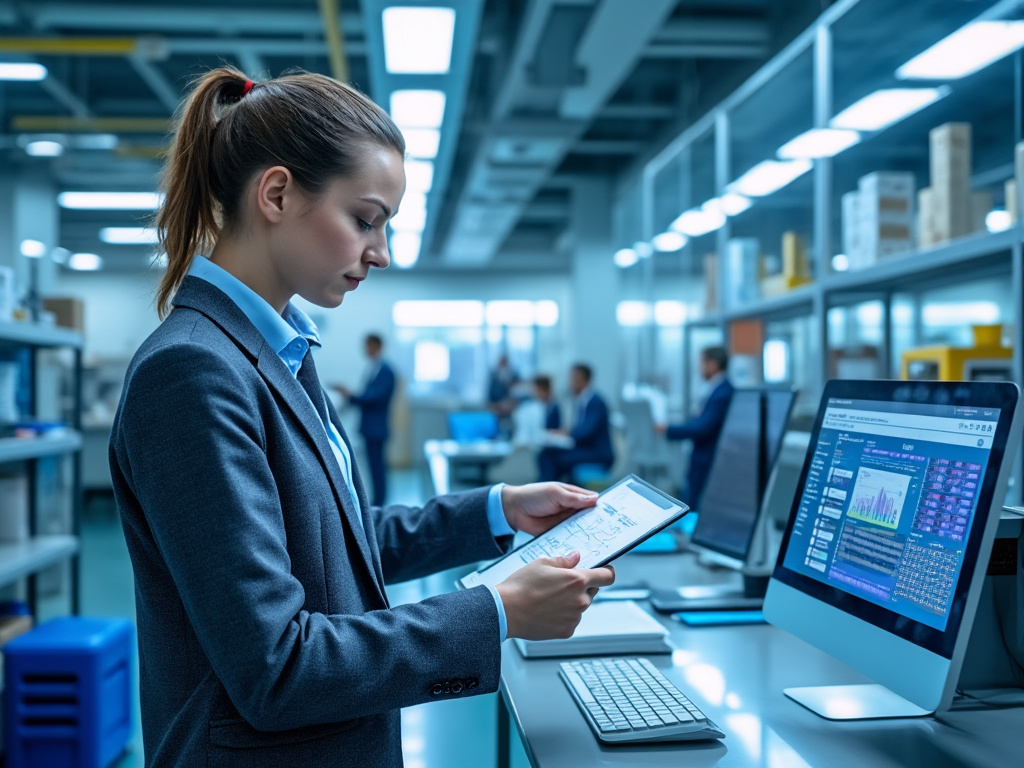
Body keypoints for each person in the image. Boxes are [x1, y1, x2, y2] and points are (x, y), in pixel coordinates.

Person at [108, 67, 614, 768]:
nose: (379, 251)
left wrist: (496, 511)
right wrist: (497, 610)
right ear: (278, 194)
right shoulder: (193, 372)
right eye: (365, 219)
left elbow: (331, 543)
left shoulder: (279, 349)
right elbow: (277, 665)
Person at [655, 346, 734, 509]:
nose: (700, 368)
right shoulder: (714, 389)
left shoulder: (723, 392)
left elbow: (703, 427)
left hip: (709, 457)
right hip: (702, 456)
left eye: (702, 363)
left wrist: (669, 429)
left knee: (698, 503)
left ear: (712, 364)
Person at [336, 333, 395, 506]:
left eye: (368, 345)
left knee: (378, 469)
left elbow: (375, 397)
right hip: (370, 428)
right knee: (374, 469)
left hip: (377, 428)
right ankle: (378, 502)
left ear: (377, 346)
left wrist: (351, 396)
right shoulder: (373, 368)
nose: (365, 349)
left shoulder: (386, 371)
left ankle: (380, 505)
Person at [538, 363, 614, 482]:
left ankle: (549, 493)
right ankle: (553, 492)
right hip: (586, 449)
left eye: (573, 378)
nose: (570, 382)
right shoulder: (581, 400)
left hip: (598, 453)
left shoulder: (596, 402)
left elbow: (586, 432)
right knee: (547, 454)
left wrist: (565, 433)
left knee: (552, 458)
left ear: (584, 379)